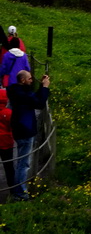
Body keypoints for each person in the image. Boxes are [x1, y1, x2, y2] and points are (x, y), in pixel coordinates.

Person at [8, 69, 50, 201]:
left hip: (20, 128)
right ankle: (20, 193)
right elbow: (39, 103)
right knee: (24, 163)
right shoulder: (21, 94)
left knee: (22, 161)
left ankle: (19, 190)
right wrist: (45, 87)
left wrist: (41, 87)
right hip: (25, 129)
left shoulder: (17, 91)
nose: (32, 80)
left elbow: (33, 100)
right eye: (30, 79)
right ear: (23, 80)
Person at [0, 87, 15, 199]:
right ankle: (12, 189)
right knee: (9, 167)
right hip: (6, 143)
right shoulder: (8, 112)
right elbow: (12, 126)